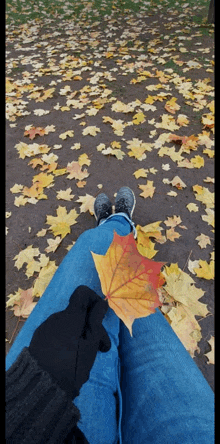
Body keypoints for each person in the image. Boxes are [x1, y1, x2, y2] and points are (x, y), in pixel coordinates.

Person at [6, 187, 214, 443]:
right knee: (109, 266)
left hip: (30, 406)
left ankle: (113, 224)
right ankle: (121, 225)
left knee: (95, 251)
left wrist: (39, 381)